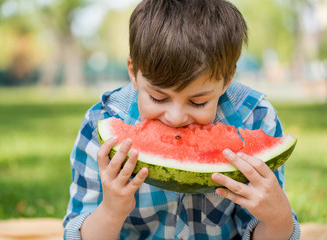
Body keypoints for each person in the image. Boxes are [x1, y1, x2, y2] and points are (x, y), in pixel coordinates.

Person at [63, 0, 300, 239]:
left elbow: (263, 230)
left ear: (227, 79)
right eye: (158, 97)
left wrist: (278, 218)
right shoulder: (100, 124)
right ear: (133, 72)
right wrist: (110, 212)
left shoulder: (255, 118)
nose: (175, 118)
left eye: (198, 102)